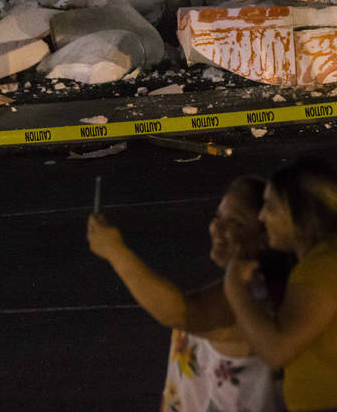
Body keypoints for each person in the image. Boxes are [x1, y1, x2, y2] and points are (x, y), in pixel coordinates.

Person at [87, 175, 288, 412]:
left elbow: (178, 313)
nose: (217, 228)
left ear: (266, 235)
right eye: (217, 217)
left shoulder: (247, 296)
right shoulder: (260, 285)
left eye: (235, 223)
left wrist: (116, 252)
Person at [224, 157, 337, 412]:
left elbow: (276, 350)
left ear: (301, 214)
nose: (262, 217)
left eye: (271, 207)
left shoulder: (325, 268)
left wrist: (234, 287)